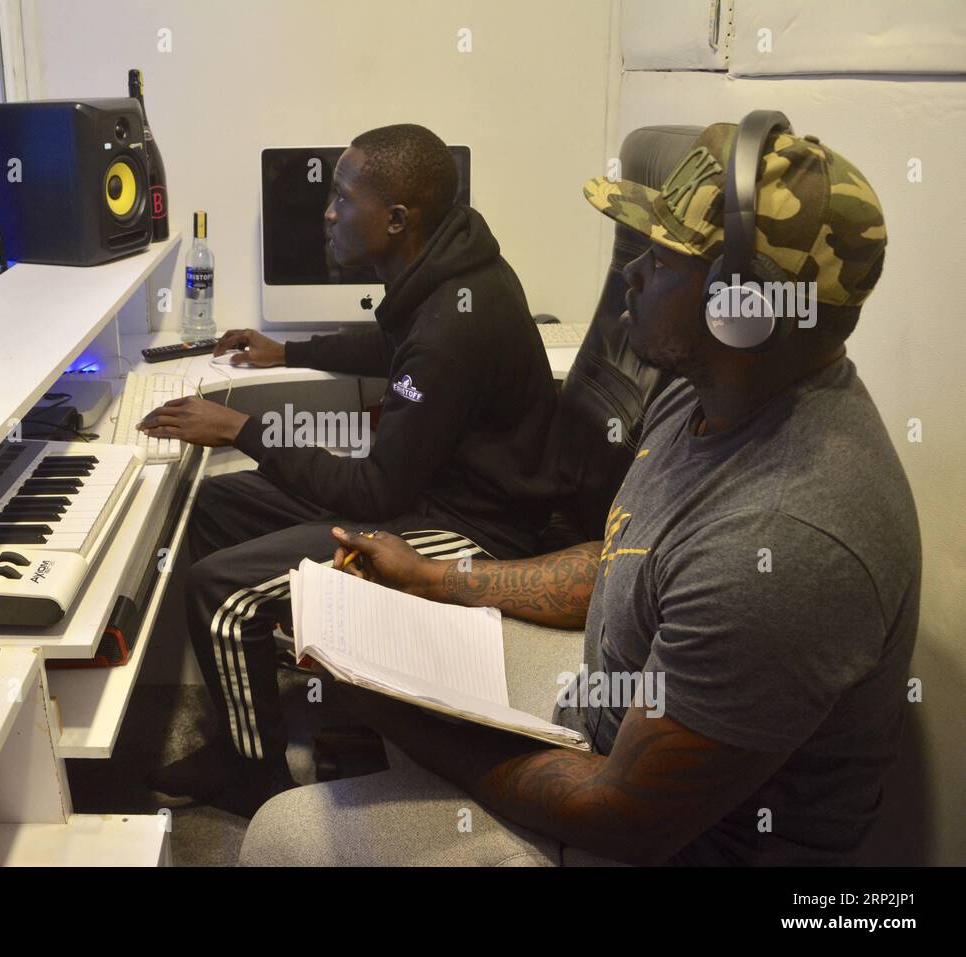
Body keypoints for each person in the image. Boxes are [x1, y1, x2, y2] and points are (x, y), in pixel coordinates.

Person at [241, 118, 921, 865]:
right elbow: (628, 556)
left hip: (667, 841)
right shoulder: (712, 395)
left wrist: (400, 715)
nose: (630, 276)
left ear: (743, 311)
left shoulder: (782, 543)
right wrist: (436, 578)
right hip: (602, 705)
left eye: (662, 260)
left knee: (285, 837)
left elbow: (622, 815)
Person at [137, 124, 559, 814]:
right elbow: (396, 345)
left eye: (341, 197)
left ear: (395, 219)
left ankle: (257, 784)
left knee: (220, 592)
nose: (328, 213)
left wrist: (244, 427)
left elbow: (377, 489)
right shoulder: (447, 272)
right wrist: (289, 351)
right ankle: (250, 730)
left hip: (474, 530)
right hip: (424, 493)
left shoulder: (454, 327)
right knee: (217, 507)